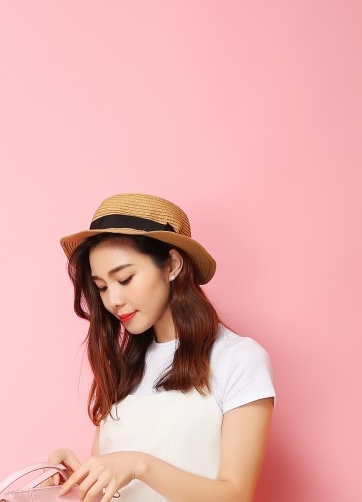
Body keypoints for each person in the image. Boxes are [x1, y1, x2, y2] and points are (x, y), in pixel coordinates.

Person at [43, 193, 275, 502]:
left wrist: (140, 465)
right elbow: (114, 490)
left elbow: (236, 495)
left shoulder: (238, 358)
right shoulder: (124, 366)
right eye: (102, 287)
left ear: (172, 265)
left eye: (125, 279)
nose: (113, 300)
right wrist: (75, 482)